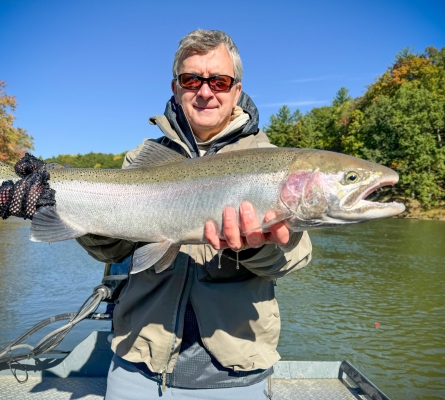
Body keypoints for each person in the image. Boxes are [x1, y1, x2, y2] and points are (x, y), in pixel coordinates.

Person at [75, 29, 312, 399]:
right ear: (175, 88)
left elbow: (295, 256)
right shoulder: (141, 158)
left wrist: (253, 248)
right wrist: (63, 208)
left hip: (236, 377)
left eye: (219, 80)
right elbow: (110, 251)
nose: (205, 91)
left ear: (236, 90)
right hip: (137, 367)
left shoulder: (274, 164)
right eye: (191, 80)